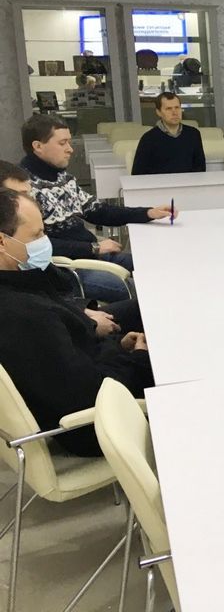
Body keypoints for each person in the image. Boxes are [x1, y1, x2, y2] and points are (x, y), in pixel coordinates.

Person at [0, 188, 153, 457]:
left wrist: (120, 347)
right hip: (97, 425)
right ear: (3, 242)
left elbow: (75, 357)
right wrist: (138, 358)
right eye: (36, 235)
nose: (45, 242)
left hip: (91, 386)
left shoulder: (25, 285)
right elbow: (89, 393)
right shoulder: (26, 315)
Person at [20, 115, 175, 301]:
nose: (70, 149)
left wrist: (148, 213)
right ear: (38, 146)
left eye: (69, 142)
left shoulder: (62, 177)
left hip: (91, 255)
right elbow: (33, 246)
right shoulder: (22, 188)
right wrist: (93, 248)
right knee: (146, 291)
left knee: (160, 268)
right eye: (62, 143)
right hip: (68, 270)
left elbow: (98, 211)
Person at [0, 159, 143, 333]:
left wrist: (83, 310)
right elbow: (48, 324)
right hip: (70, 326)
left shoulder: (25, 256)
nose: (30, 200)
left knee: (144, 305)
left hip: (71, 313)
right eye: (20, 196)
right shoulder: (13, 289)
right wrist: (89, 323)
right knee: (140, 296)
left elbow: (58, 295)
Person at [131, 92, 206, 175]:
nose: (174, 112)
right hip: (159, 182)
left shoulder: (193, 134)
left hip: (189, 182)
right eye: (168, 109)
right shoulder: (148, 139)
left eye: (177, 107)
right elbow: (138, 174)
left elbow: (200, 168)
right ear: (158, 112)